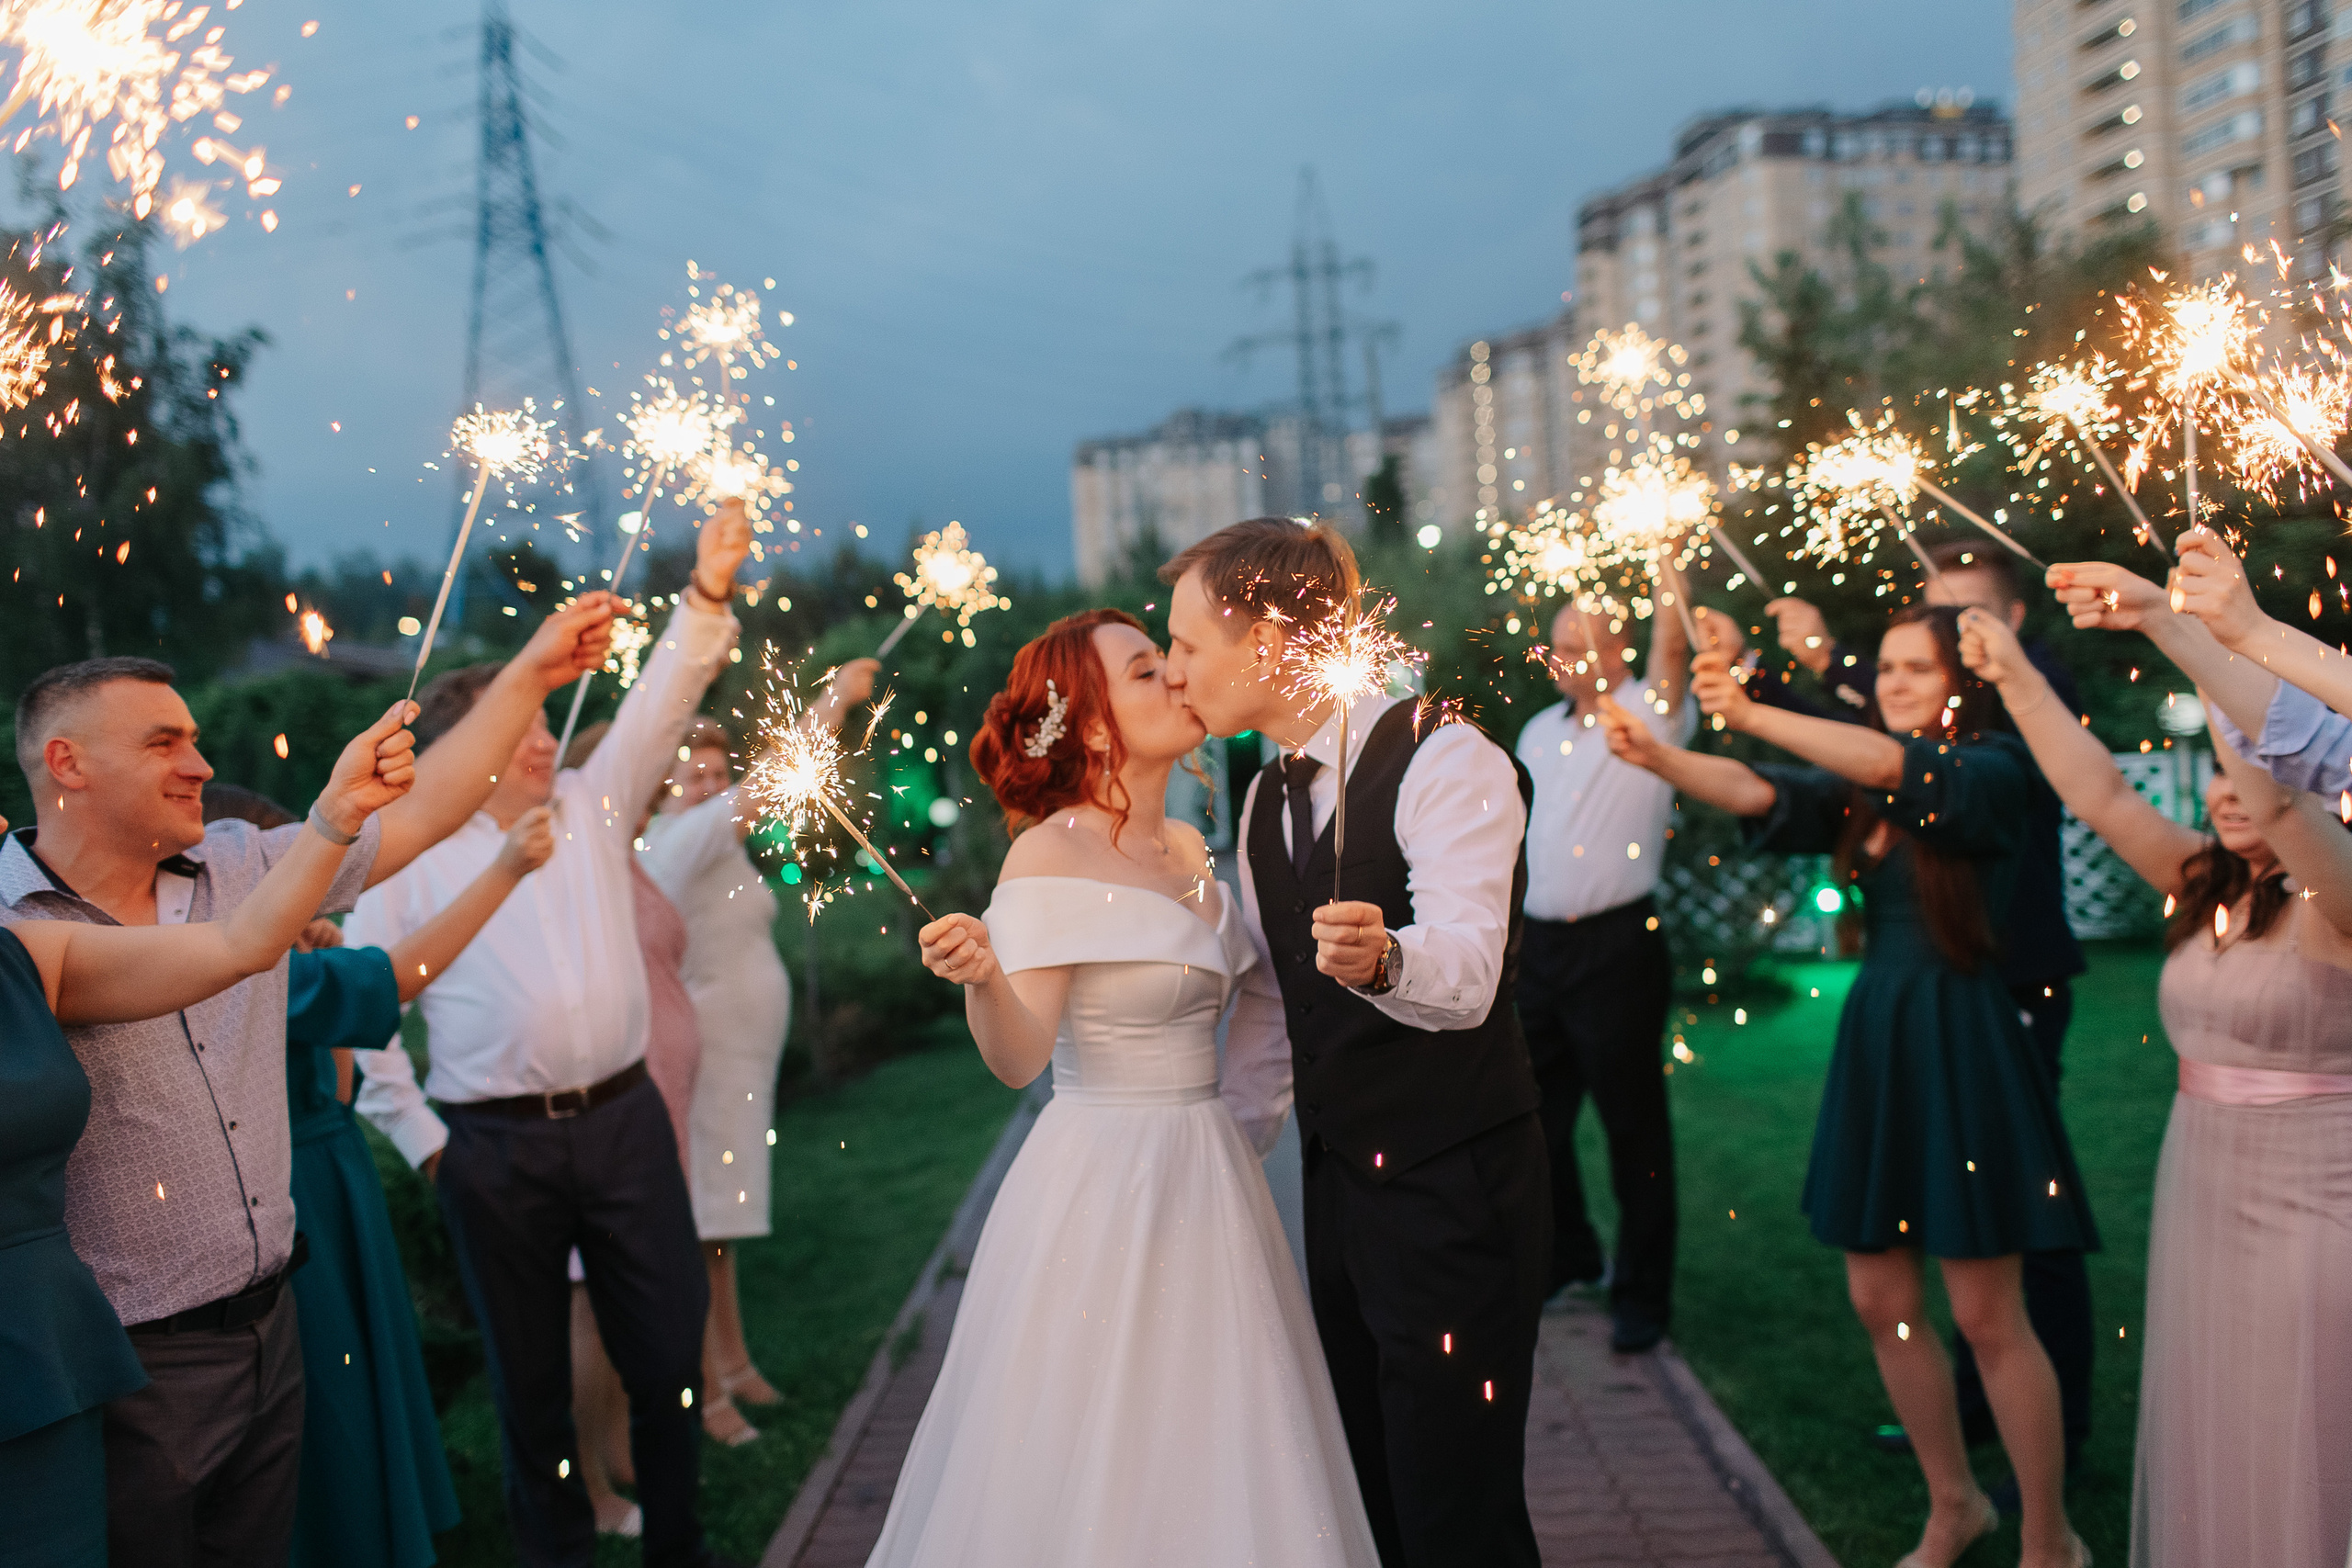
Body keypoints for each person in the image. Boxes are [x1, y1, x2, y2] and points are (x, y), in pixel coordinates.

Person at [0, 598, 614, 1564]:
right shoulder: (14, 938)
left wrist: (534, 671)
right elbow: (243, 952)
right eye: (165, 743)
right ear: (68, 764)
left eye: (197, 740)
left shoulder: (243, 867)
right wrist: (329, 817)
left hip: (272, 1325)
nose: (200, 766)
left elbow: (429, 806)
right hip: (121, 1364)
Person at [877, 609, 1378, 1566]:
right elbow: (1020, 1058)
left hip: (1211, 1177)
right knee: (1101, 1439)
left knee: (1223, 1432)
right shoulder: (1048, 854)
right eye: (1147, 670)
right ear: (1095, 724)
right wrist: (984, 976)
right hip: (1103, 1186)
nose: (1176, 677)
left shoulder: (1192, 854)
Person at [1598, 604, 2093, 1568]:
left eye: (1919, 668)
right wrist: (1659, 758)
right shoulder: (1871, 782)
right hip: (1882, 1035)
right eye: (1891, 667)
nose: (1898, 682)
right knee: (1879, 1298)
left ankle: (2049, 1536)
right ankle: (1953, 1504)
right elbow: (1755, 792)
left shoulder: (1992, 771)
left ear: (1965, 684)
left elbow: (1878, 765)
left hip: (1963, 1038)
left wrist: (1748, 707)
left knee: (1988, 1313)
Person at [350, 497, 752, 1568]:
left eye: (540, 721)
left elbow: (668, 697)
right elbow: (363, 1012)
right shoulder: (402, 860)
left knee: (664, 1354)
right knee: (527, 1380)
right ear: (461, 749)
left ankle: (679, 1544)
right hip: (493, 1145)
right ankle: (557, 1554)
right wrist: (425, 1142)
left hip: (624, 1125)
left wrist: (705, 592)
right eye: (517, 726)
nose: (540, 739)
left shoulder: (590, 801)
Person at [1162, 516, 1550, 1568]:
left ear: (1268, 641)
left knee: (1454, 1506)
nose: (1173, 669)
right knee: (1368, 1485)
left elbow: (1468, 975)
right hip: (1338, 1193)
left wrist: (1386, 962)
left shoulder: (1447, 756)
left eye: (1189, 645)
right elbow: (1271, 1016)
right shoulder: (1257, 800)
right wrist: (1222, 1153)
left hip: (1452, 1186)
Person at [1958, 602, 2352, 1568]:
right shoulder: (2205, 884)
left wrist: (2210, 653)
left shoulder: (2336, 899)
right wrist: (2012, 674)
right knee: (2228, 1401)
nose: (2226, 794)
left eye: (2243, 762)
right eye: (2216, 772)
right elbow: (2097, 794)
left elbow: (2279, 809)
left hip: (2319, 1194)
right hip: (2206, 1181)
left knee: (2309, 1404)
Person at [0, 705, 413, 1567]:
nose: (193, 761)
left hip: (71, 1349)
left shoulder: (22, 956)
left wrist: (334, 817)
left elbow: (236, 945)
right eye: (162, 741)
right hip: (97, 1345)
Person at [1764, 544, 2097, 1469]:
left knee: (2021, 1212)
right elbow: (1868, 731)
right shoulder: (1912, 725)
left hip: (2005, 976)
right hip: (1912, 985)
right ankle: (1961, 1414)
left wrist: (1816, 670)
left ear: (2009, 628)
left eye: (1963, 621)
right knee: (1928, 1210)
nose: (1942, 638)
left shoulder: (2035, 698)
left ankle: (2055, 1413)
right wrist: (1782, 672)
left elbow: (1888, 736)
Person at [202, 782, 559, 1568]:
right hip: (298, 1200)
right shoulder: (235, 967)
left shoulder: (281, 959)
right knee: (328, 1413)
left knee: (356, 1391)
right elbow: (396, 979)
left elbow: (339, 1086)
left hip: (336, 1174)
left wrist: (319, 956)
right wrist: (502, 870)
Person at [637, 660, 876, 1447]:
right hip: (708, 1055)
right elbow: (780, 780)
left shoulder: (714, 846)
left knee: (722, 1225)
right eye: (691, 774)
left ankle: (735, 1363)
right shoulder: (679, 838)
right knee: (704, 1214)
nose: (707, 784)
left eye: (715, 772)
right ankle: (707, 1392)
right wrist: (832, 702)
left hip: (741, 1057)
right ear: (663, 788)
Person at [1512, 597, 1690, 1352]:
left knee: (1632, 1128)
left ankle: (1643, 1294)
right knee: (1533, 1121)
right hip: (1541, 951)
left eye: (1580, 643)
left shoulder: (1646, 713)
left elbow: (1672, 652)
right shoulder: (1536, 730)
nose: (1564, 658)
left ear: (1619, 650)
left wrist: (1667, 557)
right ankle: (1572, 1253)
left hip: (1618, 948)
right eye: (1555, 645)